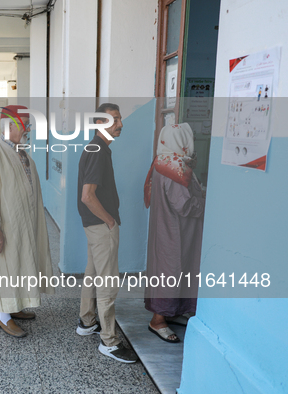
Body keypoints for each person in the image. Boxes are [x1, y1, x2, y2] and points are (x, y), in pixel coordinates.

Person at [0, 105, 54, 338]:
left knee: (21, 264)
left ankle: (16, 305)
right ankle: (4, 317)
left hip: (25, 224)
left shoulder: (23, 153)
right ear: (9, 126)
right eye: (24, 125)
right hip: (6, 225)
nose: (28, 129)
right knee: (7, 266)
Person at [77, 103, 137, 363]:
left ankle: (87, 322)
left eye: (120, 118)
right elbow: (88, 196)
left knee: (93, 274)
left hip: (93, 225)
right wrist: (110, 221)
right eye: (113, 119)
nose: (120, 124)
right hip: (101, 226)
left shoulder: (96, 148)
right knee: (108, 281)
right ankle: (109, 342)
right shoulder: (99, 151)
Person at [143, 123, 205, 343]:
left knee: (169, 271)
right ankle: (158, 320)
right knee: (171, 273)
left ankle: (173, 312)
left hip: (166, 229)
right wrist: (205, 203)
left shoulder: (163, 161)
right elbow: (185, 205)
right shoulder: (176, 169)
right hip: (176, 233)